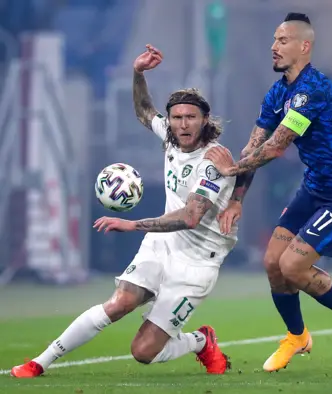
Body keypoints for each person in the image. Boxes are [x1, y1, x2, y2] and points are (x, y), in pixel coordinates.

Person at [11, 45, 232, 378]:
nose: (183, 124)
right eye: (177, 117)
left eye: (191, 117)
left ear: (204, 120)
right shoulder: (171, 139)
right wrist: (138, 73)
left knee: (143, 352)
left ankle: (200, 341)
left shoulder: (212, 161)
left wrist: (132, 225)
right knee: (118, 304)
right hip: (163, 246)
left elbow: (190, 217)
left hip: (198, 262)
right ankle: (40, 362)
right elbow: (144, 110)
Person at [205, 13, 332, 372]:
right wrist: (237, 199)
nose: (273, 47)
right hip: (314, 189)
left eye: (282, 41)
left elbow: (276, 147)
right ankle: (297, 337)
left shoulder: (313, 89)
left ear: (304, 46)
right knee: (272, 264)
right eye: (274, 40)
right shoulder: (277, 93)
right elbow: (255, 145)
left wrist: (231, 170)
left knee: (293, 266)